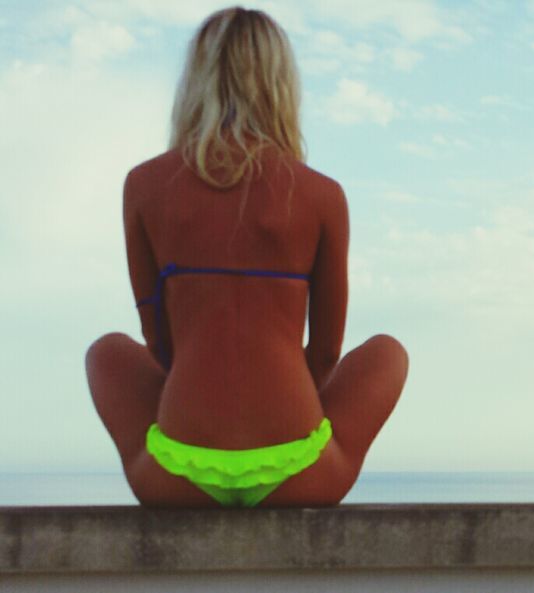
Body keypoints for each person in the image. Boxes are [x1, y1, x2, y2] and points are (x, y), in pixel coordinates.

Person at [85, 7, 408, 508]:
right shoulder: (323, 195)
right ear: (282, 86)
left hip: (177, 474)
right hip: (299, 471)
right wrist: (277, 410)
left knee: (106, 353)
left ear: (195, 81)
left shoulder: (143, 186)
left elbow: (158, 344)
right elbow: (324, 353)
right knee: (389, 353)